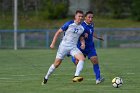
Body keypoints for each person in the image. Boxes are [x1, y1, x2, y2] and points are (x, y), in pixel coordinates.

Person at [42, 10, 86, 85]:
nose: (80, 18)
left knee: (82, 58)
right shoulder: (69, 24)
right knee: (56, 64)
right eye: (79, 16)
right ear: (75, 16)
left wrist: (83, 43)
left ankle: (76, 76)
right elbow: (58, 32)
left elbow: (81, 37)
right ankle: (46, 77)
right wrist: (53, 43)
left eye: (82, 16)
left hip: (73, 47)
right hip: (64, 47)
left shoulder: (82, 28)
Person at [70, 11, 104, 84]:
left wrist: (97, 37)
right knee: (76, 61)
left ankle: (98, 79)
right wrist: (82, 38)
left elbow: (91, 32)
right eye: (89, 17)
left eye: (92, 17)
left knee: (95, 60)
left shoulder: (92, 24)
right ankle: (76, 76)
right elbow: (77, 35)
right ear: (85, 17)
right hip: (81, 47)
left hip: (90, 47)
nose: (91, 19)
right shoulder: (81, 26)